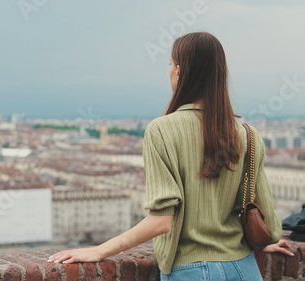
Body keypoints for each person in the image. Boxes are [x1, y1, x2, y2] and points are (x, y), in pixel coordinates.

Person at [47, 32, 293, 280]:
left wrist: (99, 250)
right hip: (243, 267)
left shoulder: (161, 130)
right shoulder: (248, 135)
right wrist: (259, 243)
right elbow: (267, 224)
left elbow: (162, 222)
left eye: (170, 63)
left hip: (191, 271)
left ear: (179, 71)